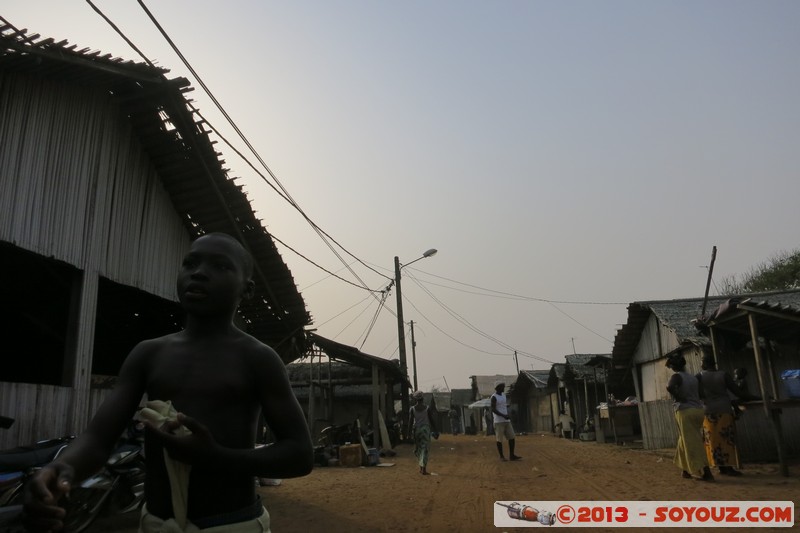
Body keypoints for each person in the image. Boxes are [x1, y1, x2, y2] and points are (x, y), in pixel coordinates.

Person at [23, 232, 314, 532]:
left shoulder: (258, 358)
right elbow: (98, 439)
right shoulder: (148, 353)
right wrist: (62, 468)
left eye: (220, 266)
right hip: (157, 524)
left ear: (247, 289)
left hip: (231, 524)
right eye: (190, 263)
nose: (199, 272)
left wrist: (218, 458)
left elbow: (300, 454)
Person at [697, 354, 753, 476]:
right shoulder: (723, 375)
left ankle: (720, 467)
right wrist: (757, 397)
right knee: (726, 439)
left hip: (708, 411)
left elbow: (696, 393)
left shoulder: (699, 376)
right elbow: (738, 393)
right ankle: (728, 467)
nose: (700, 364)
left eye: (701, 361)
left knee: (713, 440)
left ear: (705, 363)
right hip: (724, 409)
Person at [665, 353, 713, 482]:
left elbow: (669, 387)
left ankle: (707, 472)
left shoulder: (676, 376)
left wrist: (679, 397)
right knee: (684, 440)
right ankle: (685, 470)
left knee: (692, 442)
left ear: (674, 366)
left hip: (685, 411)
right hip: (697, 410)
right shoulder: (693, 377)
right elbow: (701, 393)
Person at [408, 390, 438, 475]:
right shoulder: (427, 408)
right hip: (425, 430)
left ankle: (421, 468)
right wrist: (436, 430)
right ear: (422, 398)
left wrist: (408, 434)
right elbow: (432, 420)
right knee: (425, 449)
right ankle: (423, 469)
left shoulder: (412, 409)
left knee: (419, 449)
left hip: (416, 430)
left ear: (415, 399)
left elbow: (410, 422)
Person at [491, 381, 521, 461]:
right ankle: (501, 456)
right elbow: (493, 409)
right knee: (499, 439)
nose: (504, 388)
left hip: (506, 420)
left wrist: (507, 406)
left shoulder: (503, 395)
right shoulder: (494, 397)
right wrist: (503, 415)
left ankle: (512, 455)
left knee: (512, 437)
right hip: (498, 421)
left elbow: (501, 405)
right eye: (502, 386)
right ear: (498, 388)